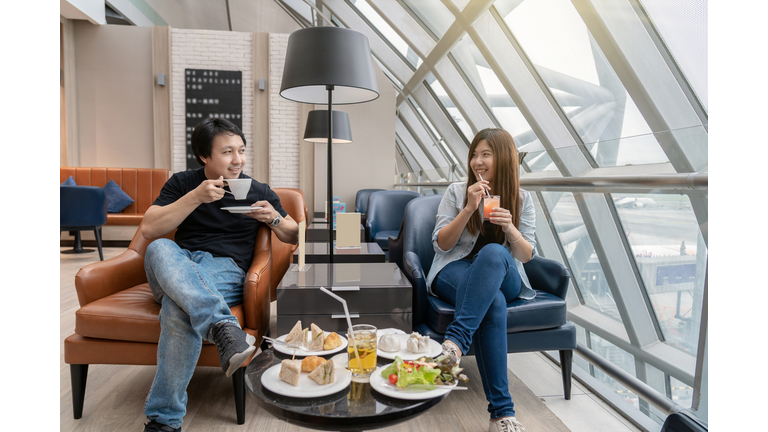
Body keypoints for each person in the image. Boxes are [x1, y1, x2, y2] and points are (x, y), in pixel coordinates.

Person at [140, 118, 299, 432]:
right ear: (204, 157)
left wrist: (275, 218)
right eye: (227, 152)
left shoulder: (258, 190)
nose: (238, 160)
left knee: (177, 309)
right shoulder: (184, 183)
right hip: (175, 266)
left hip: (224, 268)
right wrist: (196, 197)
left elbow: (293, 234)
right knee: (158, 246)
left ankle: (163, 421)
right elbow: (148, 228)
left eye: (241, 150)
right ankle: (223, 325)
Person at [426, 128, 535, 432]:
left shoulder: (523, 198)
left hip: (503, 274)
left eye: (485, 154)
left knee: (492, 252)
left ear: (504, 157)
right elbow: (442, 245)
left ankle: (455, 342)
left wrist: (511, 229)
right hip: (454, 270)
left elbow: (526, 255)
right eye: (475, 154)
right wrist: (468, 209)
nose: (477, 161)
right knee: (493, 302)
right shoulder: (457, 191)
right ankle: (502, 414)